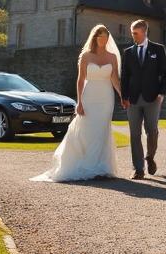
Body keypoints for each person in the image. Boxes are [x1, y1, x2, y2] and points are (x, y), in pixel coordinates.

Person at [32, 25, 122, 183]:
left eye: (105, 37)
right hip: (89, 95)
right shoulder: (86, 56)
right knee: (87, 129)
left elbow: (114, 78)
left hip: (106, 97)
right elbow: (81, 80)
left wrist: (122, 95)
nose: (103, 40)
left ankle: (101, 166)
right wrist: (79, 102)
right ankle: (86, 164)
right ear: (95, 38)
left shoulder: (112, 57)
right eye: (100, 37)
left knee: (102, 129)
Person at [120, 19, 166, 180]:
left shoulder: (158, 50)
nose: (133, 35)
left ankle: (150, 157)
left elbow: (165, 74)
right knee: (134, 134)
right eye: (132, 33)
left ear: (144, 32)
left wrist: (161, 93)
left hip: (153, 98)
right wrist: (124, 97)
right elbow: (124, 77)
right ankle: (138, 169)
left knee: (152, 131)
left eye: (135, 33)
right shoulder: (128, 52)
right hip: (132, 99)